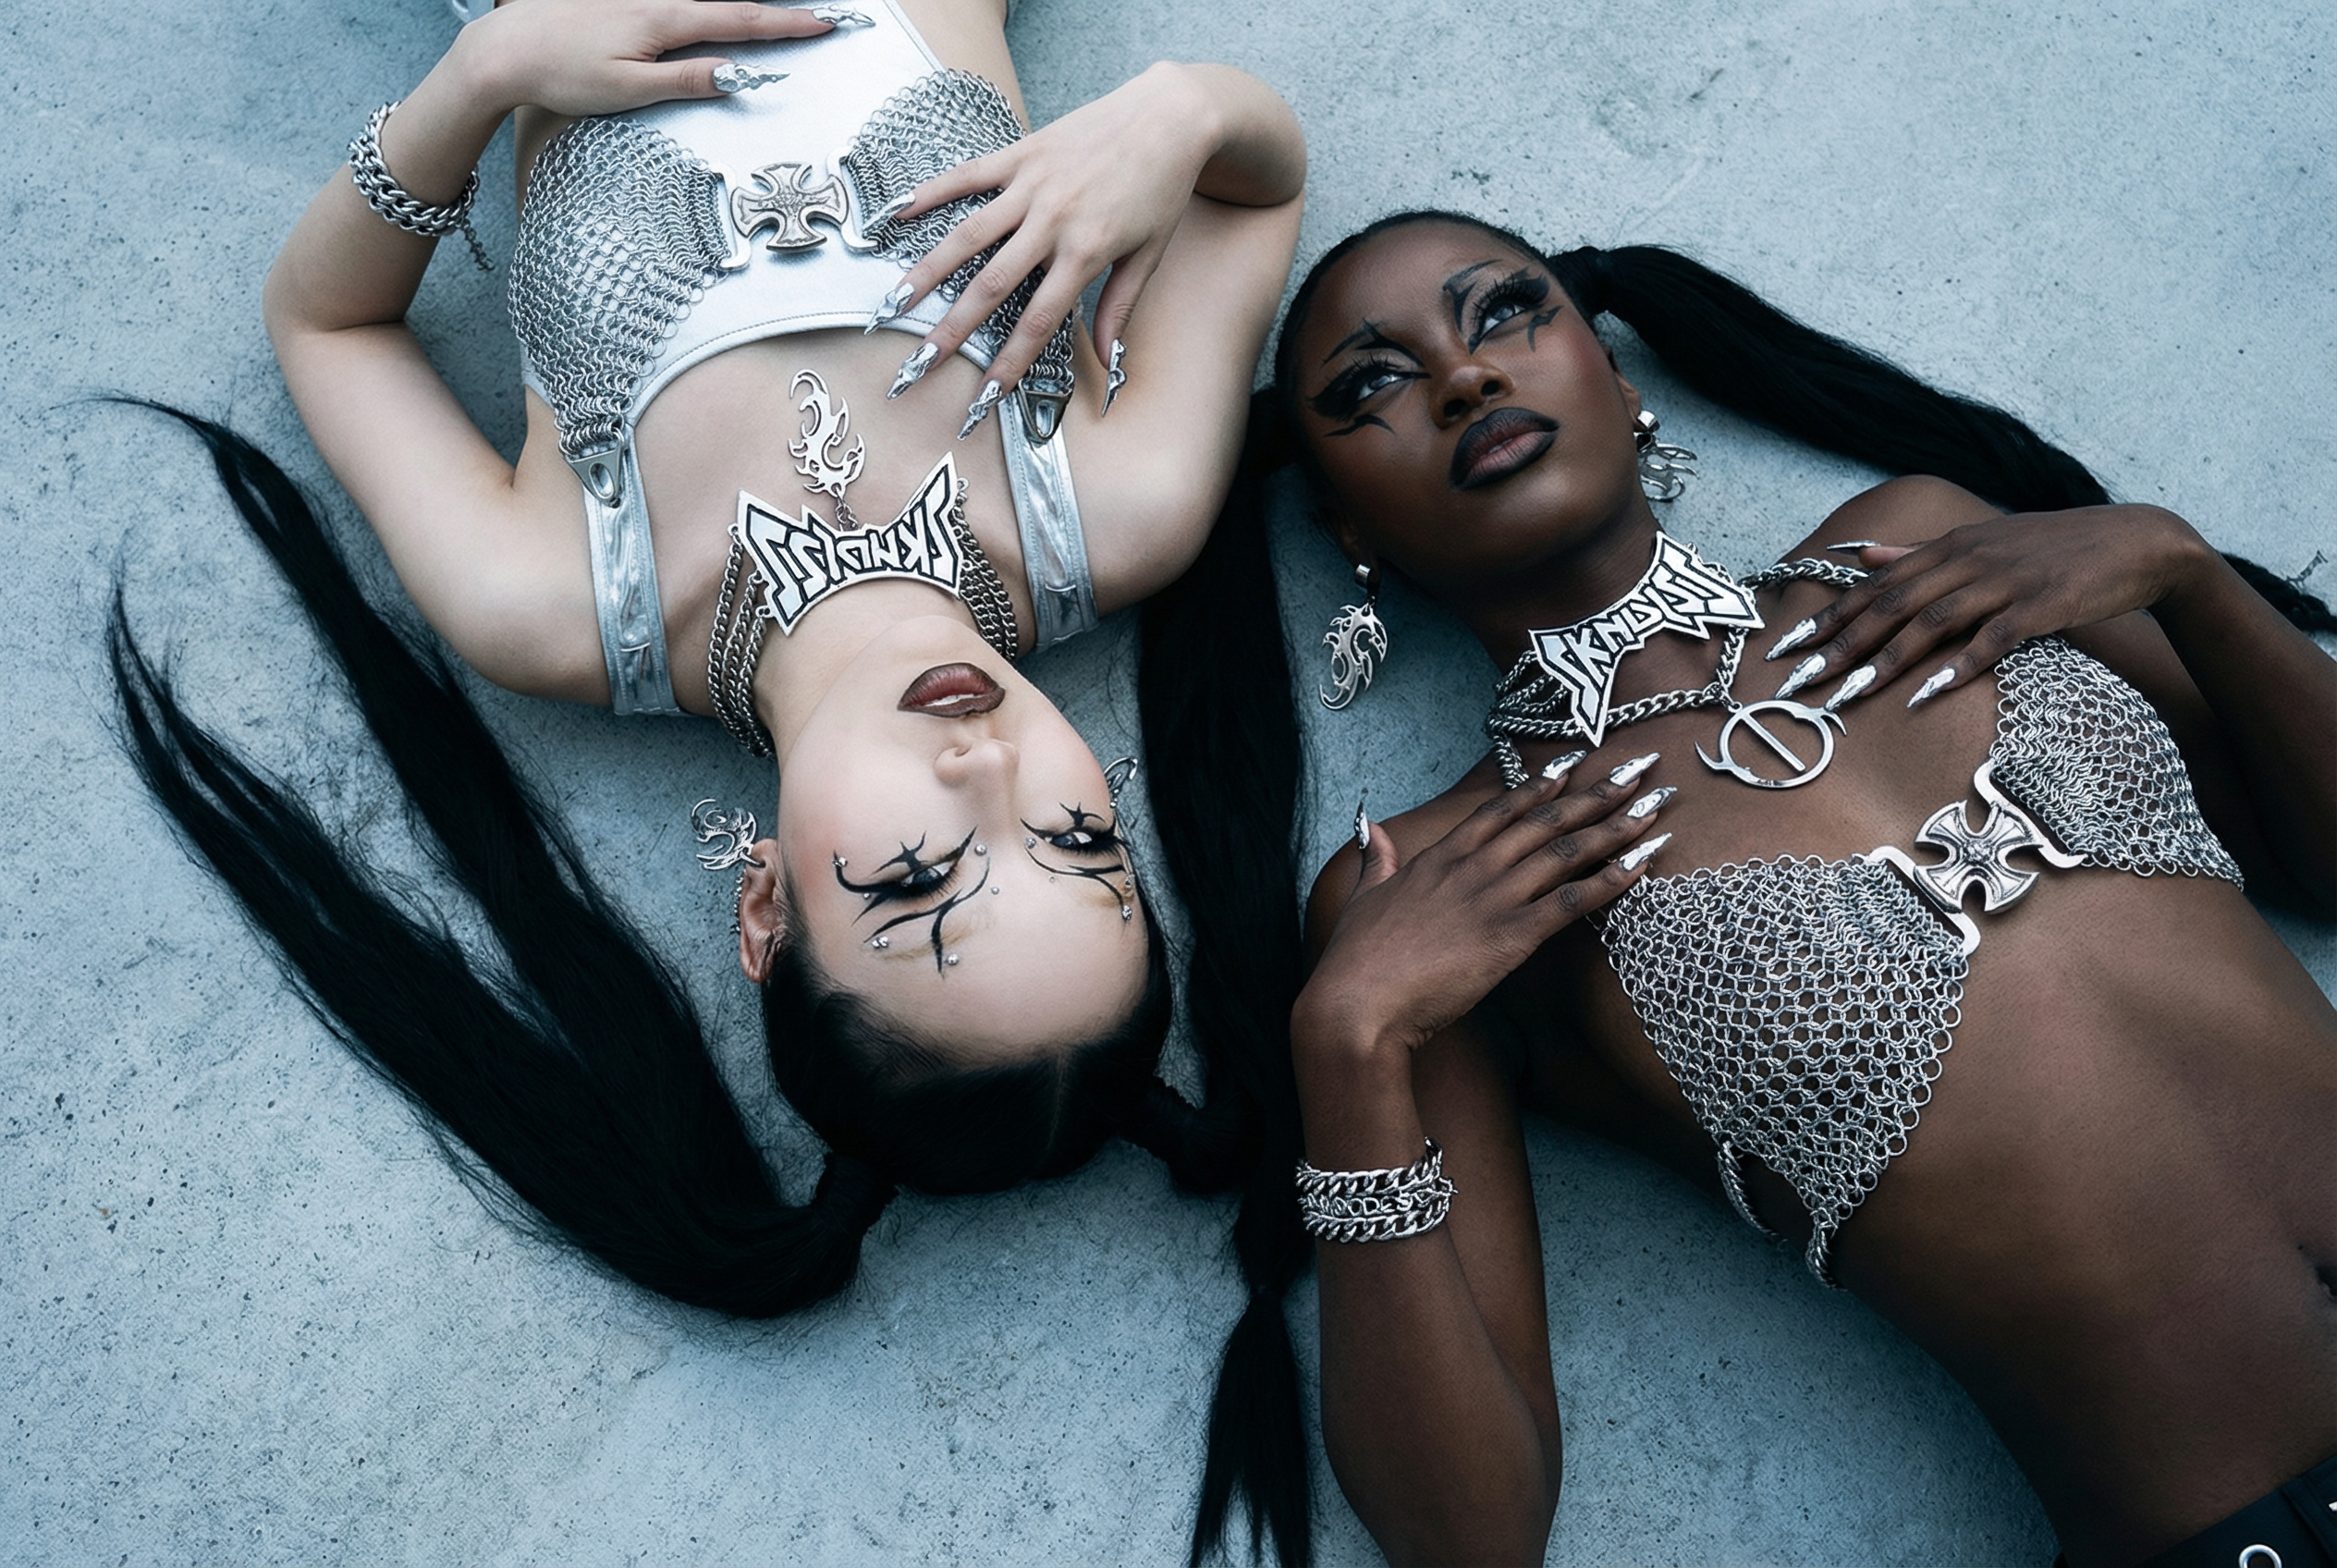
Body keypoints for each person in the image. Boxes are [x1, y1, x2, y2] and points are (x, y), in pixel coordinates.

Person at [107, 0, 1310, 1556]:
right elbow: (1259, 185)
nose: (986, 767)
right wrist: (1182, 111)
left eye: (924, 876)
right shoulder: (1123, 509)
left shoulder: (553, 602)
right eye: (1080, 837)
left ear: (762, 914)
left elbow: (323, 324)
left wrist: (479, 81)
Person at [1136, 212, 2336, 1567]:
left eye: (1505, 315)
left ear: (1617, 373)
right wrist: (1346, 1042)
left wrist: (2184, 574)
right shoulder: (1435, 884)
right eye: (1374, 385)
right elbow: (1472, 1537)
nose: (1464, 379)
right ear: (1345, 523)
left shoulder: (1929, 548)